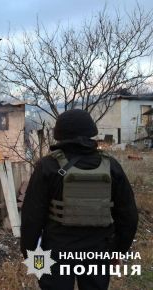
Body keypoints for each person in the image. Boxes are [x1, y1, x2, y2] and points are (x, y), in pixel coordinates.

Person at [20, 109, 138, 290]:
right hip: (98, 251)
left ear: (59, 134)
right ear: (91, 132)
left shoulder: (47, 166)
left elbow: (31, 217)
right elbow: (128, 216)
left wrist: (30, 254)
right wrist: (117, 251)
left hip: (56, 251)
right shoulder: (111, 166)